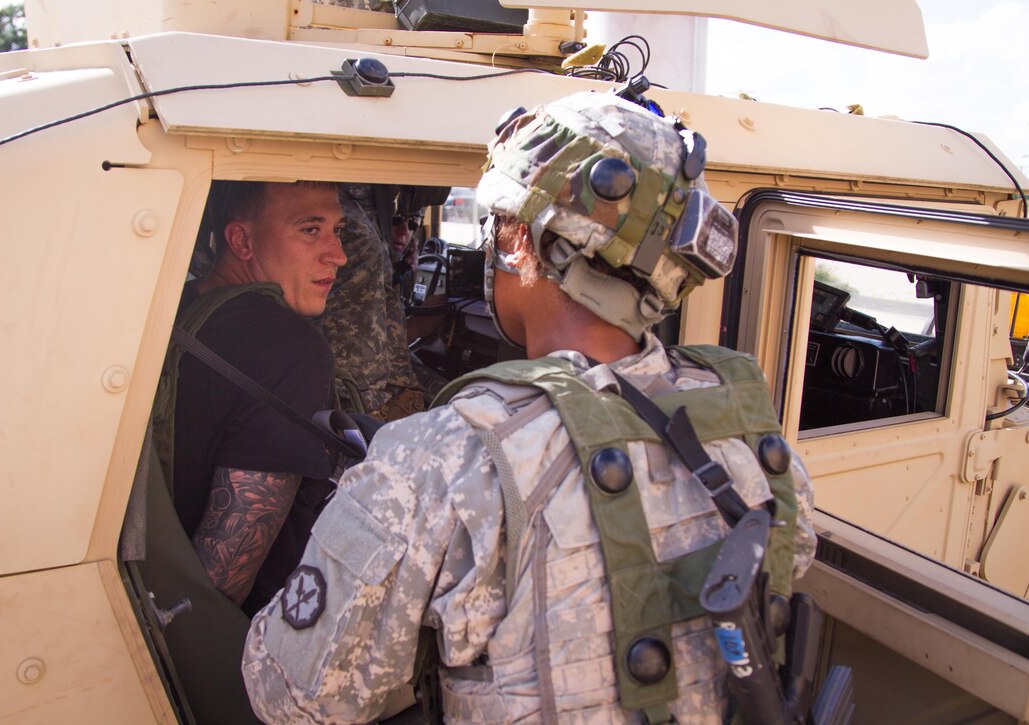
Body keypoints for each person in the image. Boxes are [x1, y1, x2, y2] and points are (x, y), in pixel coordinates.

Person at [242, 91, 817, 723]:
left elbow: (291, 699)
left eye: (497, 229)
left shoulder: (437, 460)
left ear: (520, 239)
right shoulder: (752, 432)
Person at [153, 179, 348, 617]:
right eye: (310, 230)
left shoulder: (176, 303)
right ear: (241, 240)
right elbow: (219, 587)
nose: (339, 255)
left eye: (338, 231)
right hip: (246, 641)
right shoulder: (288, 348)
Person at [319, 183, 448, 421]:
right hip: (360, 399)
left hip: (386, 387)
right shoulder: (360, 239)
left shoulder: (383, 255)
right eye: (397, 219)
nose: (403, 231)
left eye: (412, 224)